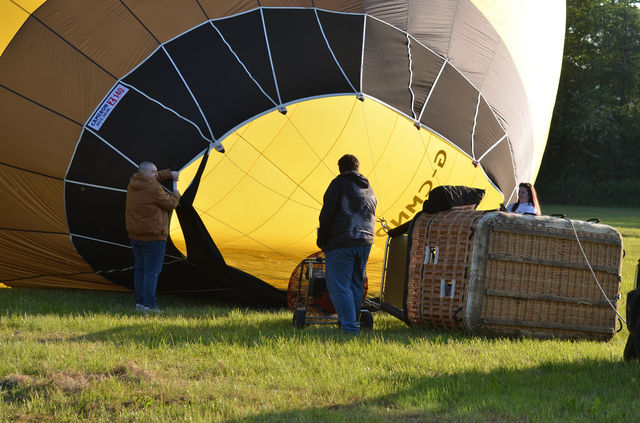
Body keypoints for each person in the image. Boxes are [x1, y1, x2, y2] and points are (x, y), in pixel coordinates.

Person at [317, 154, 377, 335]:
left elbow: (327, 214)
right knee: (356, 284)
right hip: (366, 241)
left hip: (342, 241)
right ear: (357, 167)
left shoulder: (338, 184)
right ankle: (352, 322)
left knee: (340, 285)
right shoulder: (368, 187)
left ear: (340, 168)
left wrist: (322, 239)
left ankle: (350, 328)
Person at [125, 161, 180, 313]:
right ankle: (150, 305)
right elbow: (171, 203)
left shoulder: (133, 183)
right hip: (153, 238)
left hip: (135, 237)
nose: (156, 174)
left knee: (140, 270)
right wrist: (176, 194)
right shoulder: (154, 189)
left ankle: (140, 304)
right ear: (144, 174)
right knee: (152, 272)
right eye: (153, 172)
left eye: (157, 171)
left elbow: (152, 176)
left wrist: (168, 174)